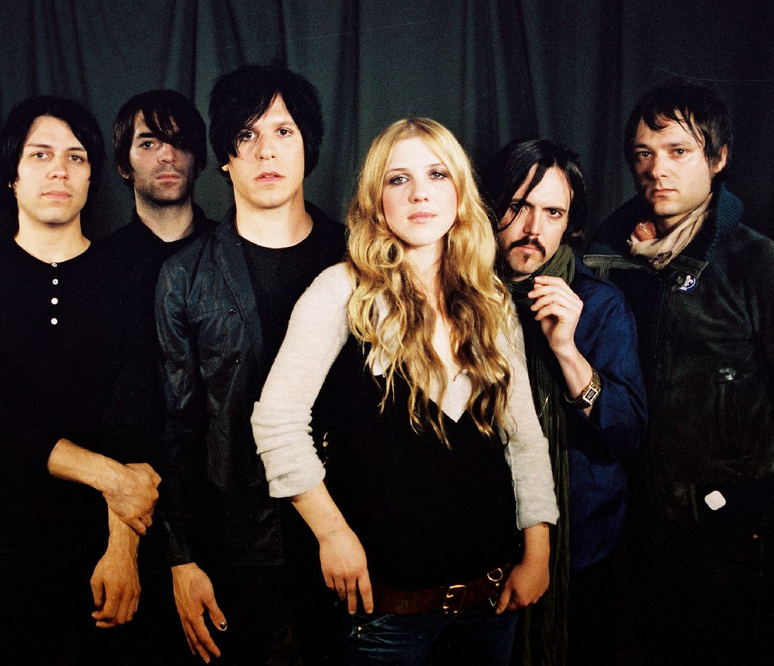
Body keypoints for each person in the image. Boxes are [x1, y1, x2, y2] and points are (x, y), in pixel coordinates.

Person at [252, 118, 559, 665]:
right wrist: (332, 534)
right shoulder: (341, 291)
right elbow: (276, 423)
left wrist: (538, 550)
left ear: (459, 191)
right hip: (386, 612)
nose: (420, 193)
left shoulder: (489, 298)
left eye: (437, 174)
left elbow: (524, 438)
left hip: (490, 600)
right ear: (377, 199)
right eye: (399, 179)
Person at [0, 96, 160, 664]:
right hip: (4, 546)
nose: (60, 169)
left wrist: (122, 548)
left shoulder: (135, 275)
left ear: (92, 177)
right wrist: (113, 478)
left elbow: (139, 420)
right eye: (40, 154)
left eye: (76, 157)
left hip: (112, 543)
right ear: (11, 175)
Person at [155, 64, 345, 664]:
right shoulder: (185, 275)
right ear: (225, 158)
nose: (266, 151)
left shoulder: (360, 258)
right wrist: (182, 558)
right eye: (246, 134)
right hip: (240, 544)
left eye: (284, 131)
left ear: (309, 146)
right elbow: (178, 426)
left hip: (353, 530)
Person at [585, 80, 774, 664]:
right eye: (644, 153)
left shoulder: (754, 261)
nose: (656, 169)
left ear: (718, 159)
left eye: (678, 151)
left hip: (733, 527)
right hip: (632, 522)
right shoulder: (608, 258)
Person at [482, 139, 646, 665]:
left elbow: (629, 435)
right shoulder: (461, 296)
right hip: (481, 543)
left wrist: (567, 351)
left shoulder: (599, 304)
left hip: (583, 546)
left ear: (569, 222)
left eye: (553, 212)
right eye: (518, 207)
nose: (534, 228)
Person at [108, 89, 218, 664]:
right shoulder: (98, 268)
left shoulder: (232, 255)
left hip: (222, 515)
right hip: (128, 513)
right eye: (148, 143)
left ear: (200, 158)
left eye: (179, 142)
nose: (167, 155)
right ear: (124, 164)